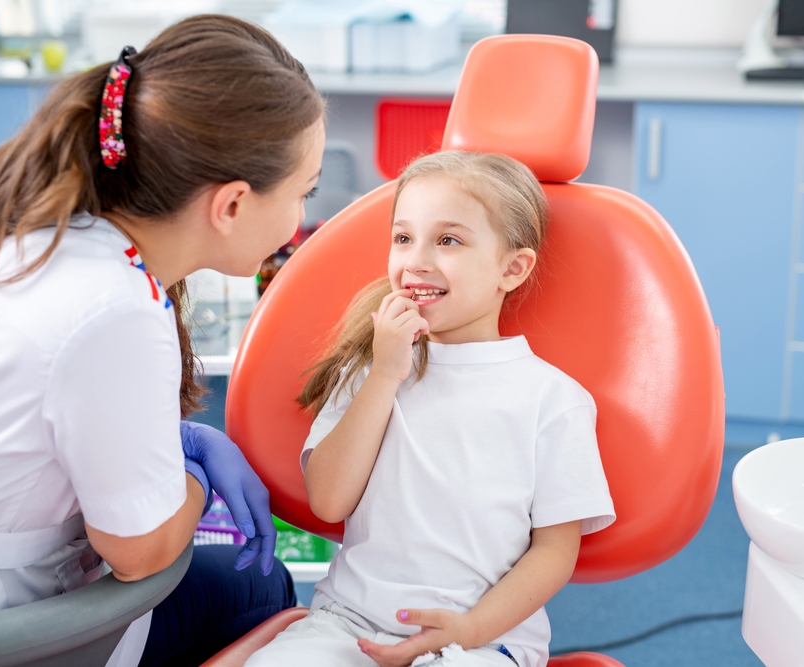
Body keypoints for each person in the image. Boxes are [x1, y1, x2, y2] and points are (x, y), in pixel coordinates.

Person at [0, 15, 325, 667]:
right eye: (305, 189)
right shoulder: (115, 311)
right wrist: (193, 475)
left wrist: (181, 440)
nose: (302, 216)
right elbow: (142, 552)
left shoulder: (35, 233)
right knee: (258, 585)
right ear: (232, 204)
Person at [245, 151, 616, 667]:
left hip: (482, 639)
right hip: (347, 622)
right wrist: (384, 374)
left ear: (512, 268)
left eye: (448, 240)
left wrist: (469, 629)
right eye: (403, 238)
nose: (415, 260)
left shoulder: (552, 399)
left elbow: (554, 551)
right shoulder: (371, 367)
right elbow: (328, 502)